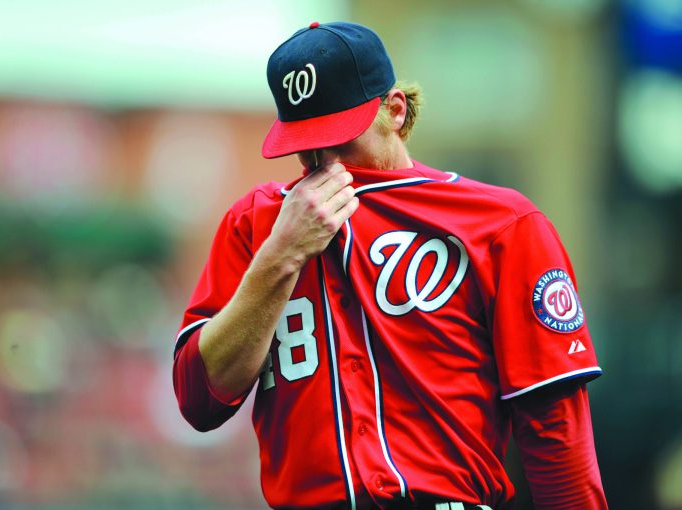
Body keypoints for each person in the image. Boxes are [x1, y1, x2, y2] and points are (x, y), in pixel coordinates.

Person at [173, 21, 608, 510]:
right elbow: (198, 401)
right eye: (307, 143)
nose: (325, 160)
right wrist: (281, 256)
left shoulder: (500, 222)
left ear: (395, 110)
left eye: (340, 137)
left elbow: (554, 428)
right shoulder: (257, 225)